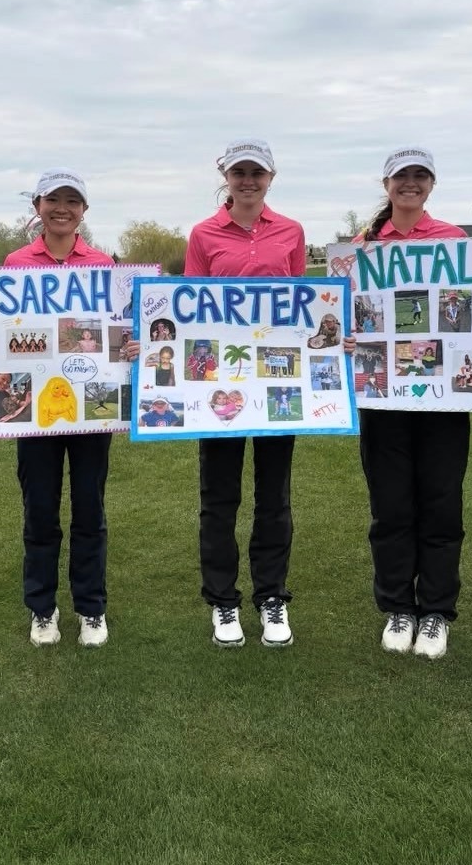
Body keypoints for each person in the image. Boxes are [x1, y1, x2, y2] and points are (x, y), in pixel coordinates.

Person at [3, 168, 140, 649]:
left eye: (72, 201)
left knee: (89, 510)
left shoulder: (103, 265)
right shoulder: (15, 263)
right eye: (53, 200)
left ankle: (91, 607)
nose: (62, 209)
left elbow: (121, 331)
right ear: (37, 206)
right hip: (36, 410)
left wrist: (131, 346)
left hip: (91, 410)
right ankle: (42, 608)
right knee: (40, 510)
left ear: (84, 210)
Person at [184, 138, 311, 648]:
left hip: (279, 381)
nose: (248, 181)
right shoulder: (203, 233)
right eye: (239, 173)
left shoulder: (291, 231)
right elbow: (190, 307)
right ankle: (223, 600)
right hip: (221, 386)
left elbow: (303, 304)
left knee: (274, 498)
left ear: (270, 178)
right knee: (219, 498)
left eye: (257, 173)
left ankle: (272, 596)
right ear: (227, 178)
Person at [356, 147, 469, 660]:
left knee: (442, 504)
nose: (411, 183)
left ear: (431, 184)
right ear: (387, 184)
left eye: (421, 176)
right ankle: (399, 606)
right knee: (392, 506)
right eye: (402, 176)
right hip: (382, 397)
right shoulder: (364, 246)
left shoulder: (453, 239)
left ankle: (437, 610)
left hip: (444, 398)